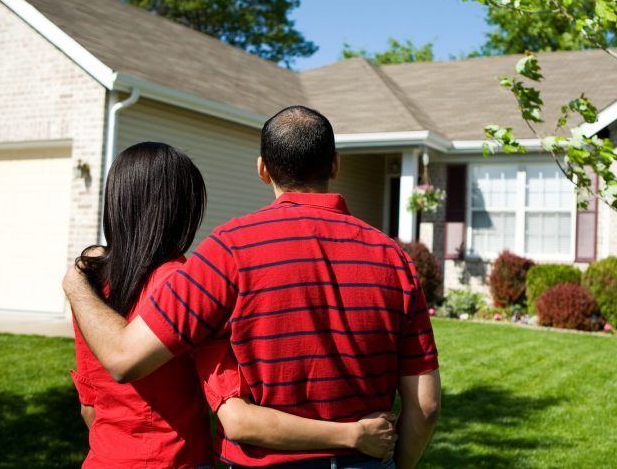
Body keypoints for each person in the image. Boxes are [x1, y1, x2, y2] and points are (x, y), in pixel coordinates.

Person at [64, 106, 441, 469]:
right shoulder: (396, 259)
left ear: (263, 169)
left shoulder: (228, 251)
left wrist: (76, 281)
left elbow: (108, 381)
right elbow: (425, 405)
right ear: (335, 165)